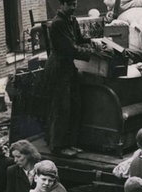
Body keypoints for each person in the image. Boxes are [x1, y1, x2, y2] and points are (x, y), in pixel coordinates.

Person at [45, 0, 101, 157]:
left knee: (74, 105)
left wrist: (93, 42)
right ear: (62, 5)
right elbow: (69, 48)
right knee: (61, 107)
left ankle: (70, 143)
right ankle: (57, 146)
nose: (73, 8)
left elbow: (79, 40)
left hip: (69, 67)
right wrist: (91, 53)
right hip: (58, 67)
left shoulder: (72, 20)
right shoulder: (57, 24)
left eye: (74, 4)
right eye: (69, 4)